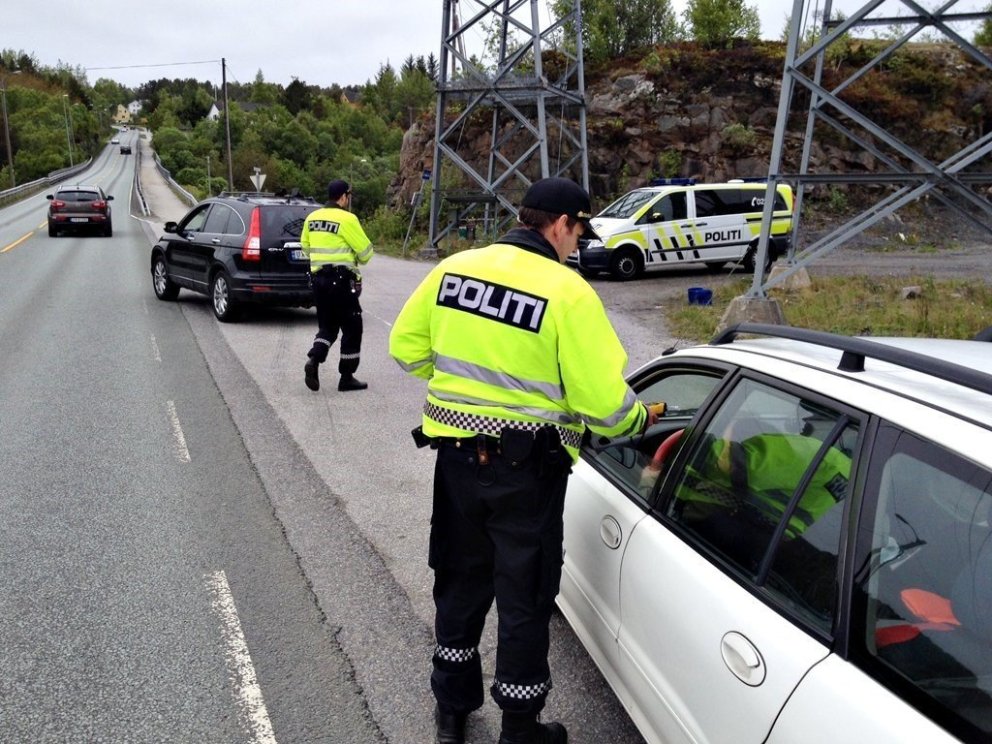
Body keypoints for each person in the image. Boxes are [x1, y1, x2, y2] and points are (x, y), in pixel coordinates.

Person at [389, 177, 654, 744]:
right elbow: (603, 405)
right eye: (580, 232)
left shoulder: (454, 270)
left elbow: (405, 349)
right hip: (528, 475)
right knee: (525, 595)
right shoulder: (567, 292)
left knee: (458, 582)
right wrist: (639, 422)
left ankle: (452, 710)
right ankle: (520, 727)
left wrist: (463, 386)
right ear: (560, 224)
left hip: (456, 466)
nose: (578, 245)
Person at [301, 179, 374, 392]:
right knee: (352, 326)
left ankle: (314, 359)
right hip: (341, 281)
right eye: (348, 196)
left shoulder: (312, 217)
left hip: (318, 281)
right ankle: (347, 377)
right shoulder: (347, 219)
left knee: (328, 326)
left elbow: (305, 248)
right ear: (343, 196)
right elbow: (366, 253)